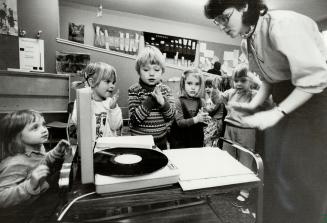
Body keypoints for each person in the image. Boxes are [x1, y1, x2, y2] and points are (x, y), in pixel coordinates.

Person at [204, 1, 327, 223]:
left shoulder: (281, 25)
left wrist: (276, 113)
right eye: (217, 21)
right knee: (271, 168)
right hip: (285, 95)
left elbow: (313, 81)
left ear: (243, 6)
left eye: (225, 16)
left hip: (315, 98)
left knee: (298, 173)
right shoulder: (247, 42)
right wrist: (252, 106)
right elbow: (269, 81)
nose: (222, 25)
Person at [0, 109, 70, 222]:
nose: (44, 130)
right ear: (17, 136)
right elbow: (2, 198)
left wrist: (54, 153)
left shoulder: (38, 147)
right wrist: (30, 185)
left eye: (43, 124)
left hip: (37, 200)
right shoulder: (14, 164)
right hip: (21, 216)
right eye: (35, 127)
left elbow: (40, 160)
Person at [128, 46, 175, 150]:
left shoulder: (166, 90)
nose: (152, 73)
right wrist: (152, 100)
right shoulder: (134, 90)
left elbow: (171, 116)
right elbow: (134, 120)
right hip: (140, 143)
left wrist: (163, 103)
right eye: (146, 69)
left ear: (162, 71)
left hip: (161, 141)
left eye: (156, 69)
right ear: (139, 71)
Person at [71, 62, 123, 139]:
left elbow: (115, 126)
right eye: (108, 82)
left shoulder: (110, 103)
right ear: (92, 82)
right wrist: (85, 102)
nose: (112, 86)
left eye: (113, 82)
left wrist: (113, 108)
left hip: (107, 148)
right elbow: (77, 122)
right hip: (89, 148)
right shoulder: (82, 100)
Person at [169, 69, 211, 149]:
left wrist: (205, 120)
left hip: (196, 142)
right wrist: (197, 119)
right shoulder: (179, 102)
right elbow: (180, 123)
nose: (193, 87)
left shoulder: (202, 102)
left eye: (197, 84)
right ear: (183, 84)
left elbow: (203, 124)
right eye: (189, 83)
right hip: (180, 142)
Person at [203, 78, 225, 147]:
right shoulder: (209, 98)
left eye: (210, 87)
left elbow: (212, 110)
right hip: (213, 121)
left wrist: (205, 109)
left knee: (210, 140)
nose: (207, 89)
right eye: (206, 87)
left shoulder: (218, 97)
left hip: (216, 122)